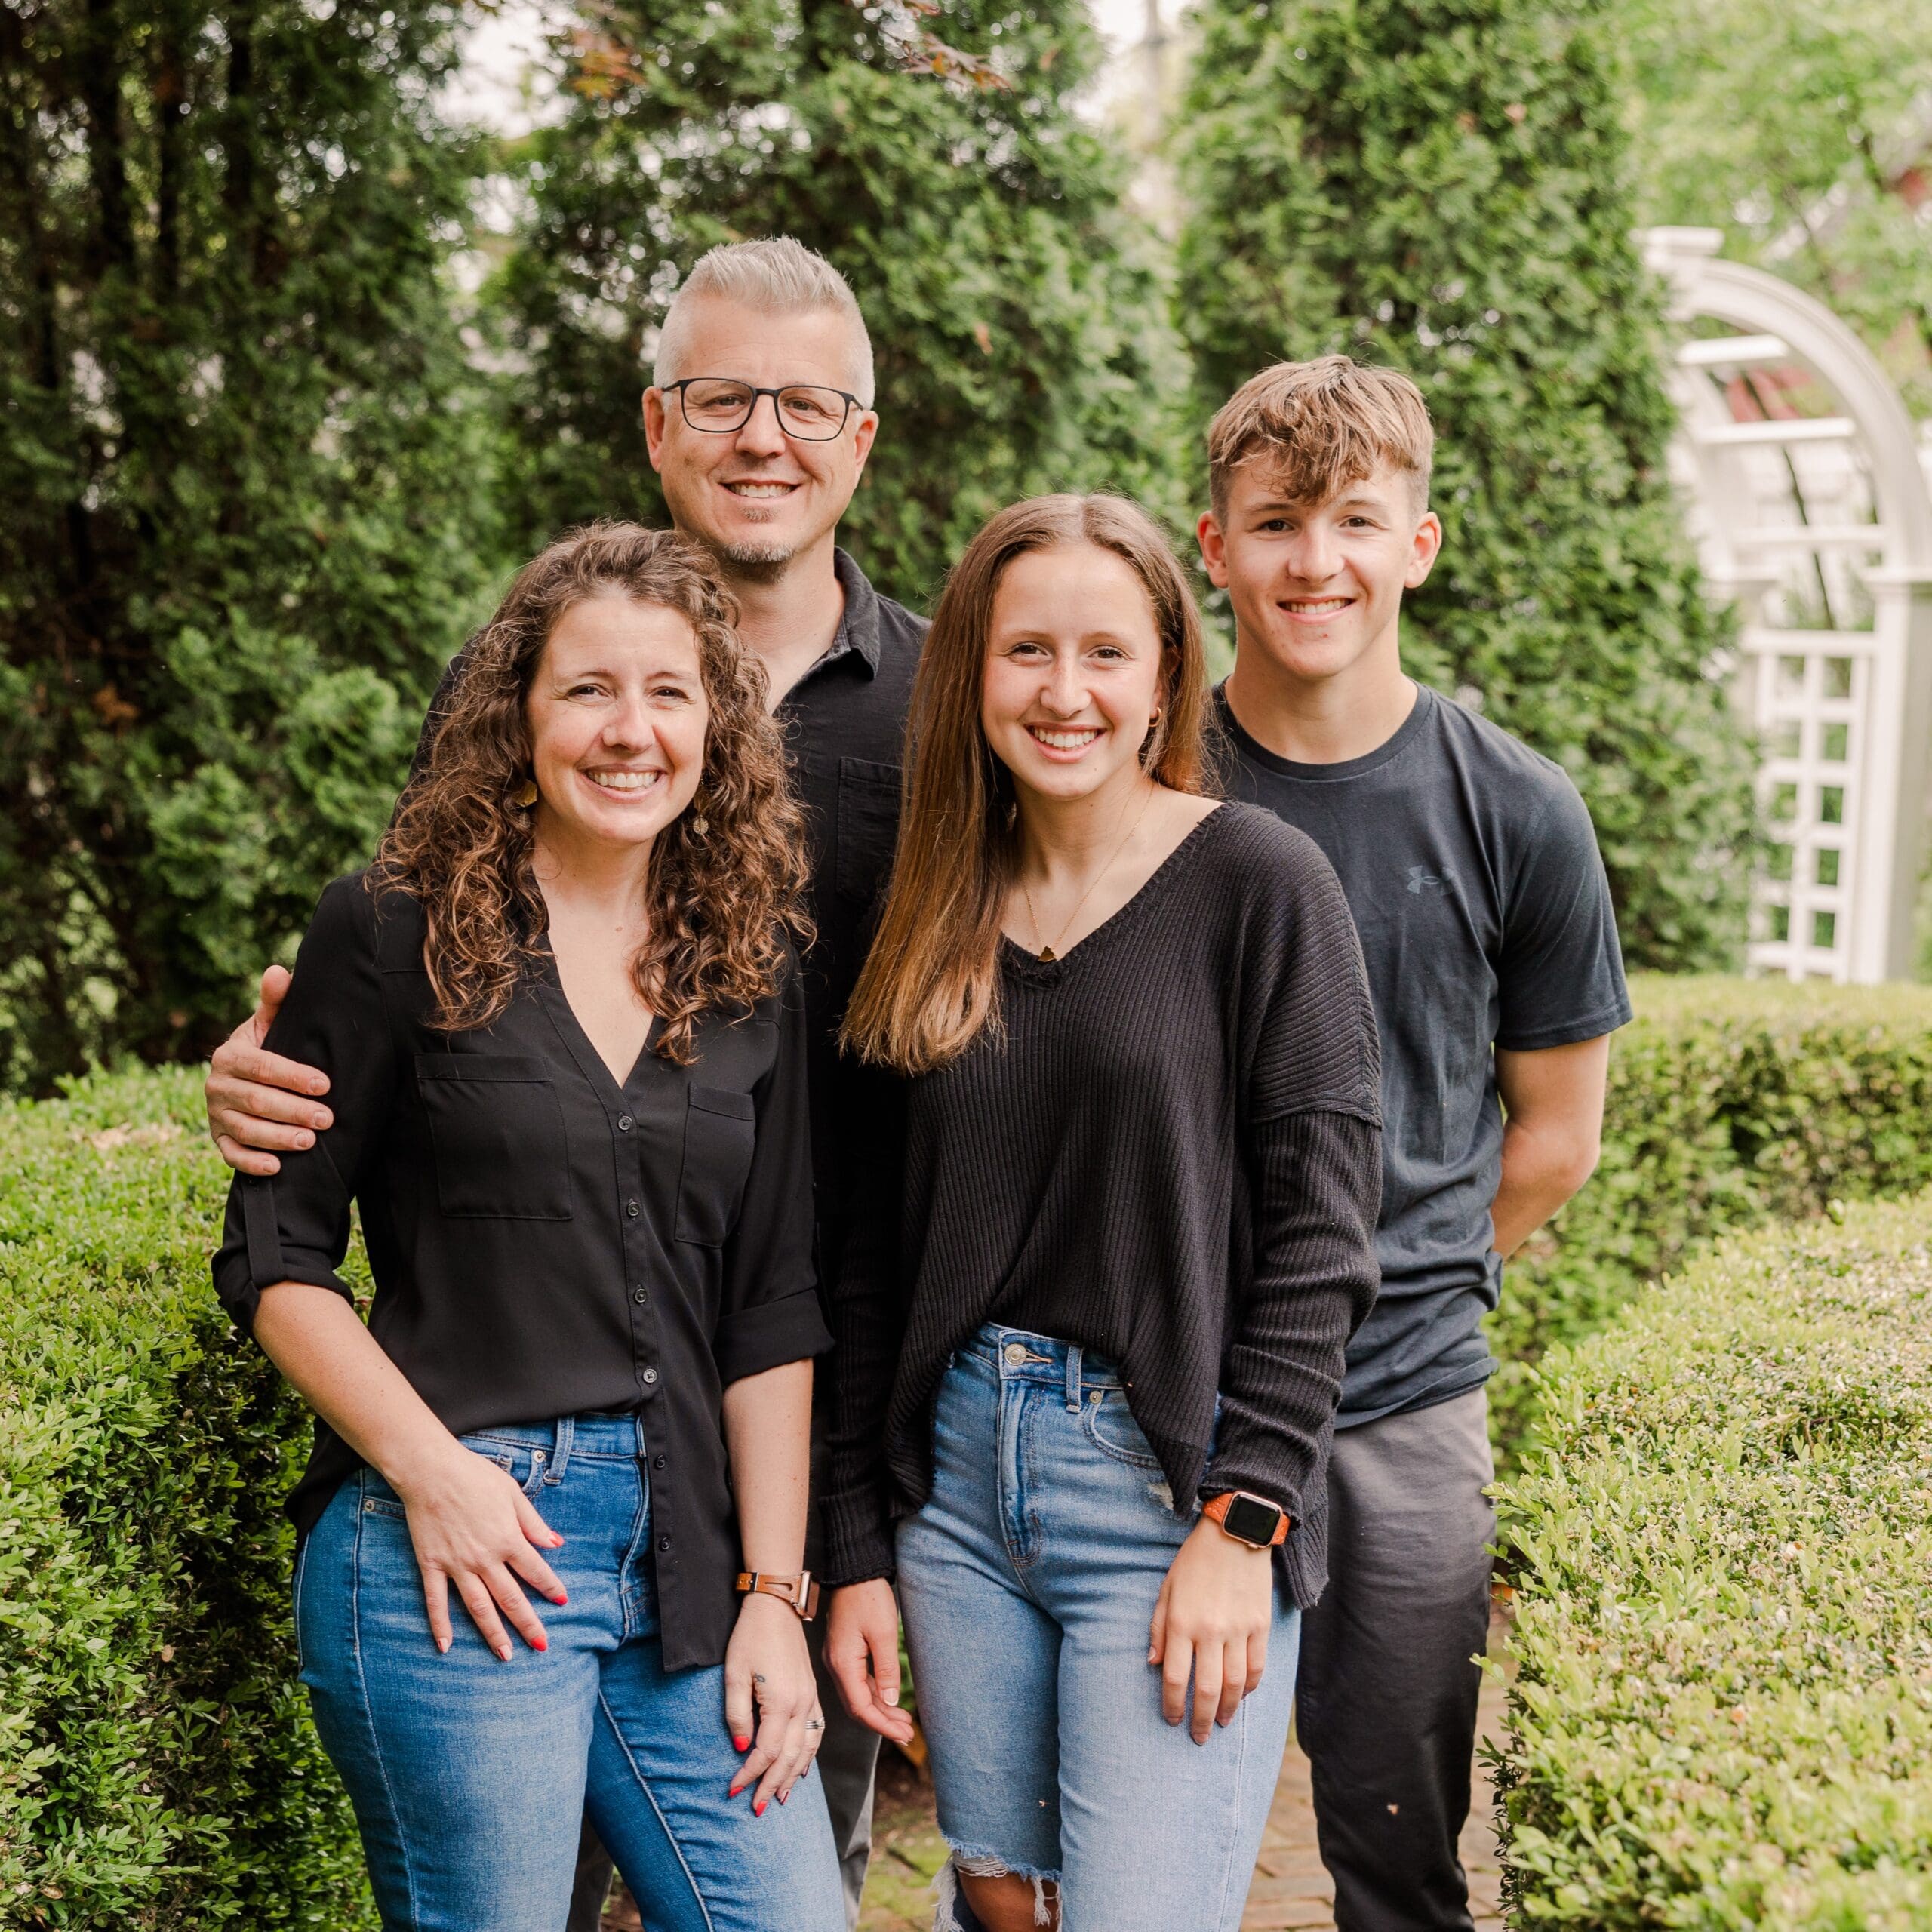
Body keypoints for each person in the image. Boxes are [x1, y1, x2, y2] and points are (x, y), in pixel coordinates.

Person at [201, 238, 920, 1930]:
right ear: (512, 710)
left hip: (703, 1531)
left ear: (716, 728)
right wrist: (434, 1470)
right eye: (585, 688)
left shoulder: (746, 949)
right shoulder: (399, 928)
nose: (626, 725)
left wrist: (774, 1584)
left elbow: (769, 1293)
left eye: (667, 693)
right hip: (460, 1529)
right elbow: (278, 1251)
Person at [820, 494, 1385, 1932]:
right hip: (953, 1487)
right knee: (1004, 1903)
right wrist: (859, 1546)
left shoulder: (1261, 885)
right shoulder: (930, 898)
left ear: (1163, 679)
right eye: (1027, 653)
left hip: (1166, 1489)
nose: (1064, 694)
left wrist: (1243, 1522)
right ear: (972, 672)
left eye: (1104, 655)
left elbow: (1323, 1241)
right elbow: (867, 1253)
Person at [1198, 358, 1629, 1931]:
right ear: (1212, 546)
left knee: (1394, 1854)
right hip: (1163, 1396)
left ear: (1418, 544)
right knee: (1141, 1846)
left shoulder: (1514, 807)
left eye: (1352, 520)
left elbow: (1554, 1132)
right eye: (1275, 522)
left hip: (1402, 1409)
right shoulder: (1140, 778)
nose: (1315, 561)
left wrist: (1384, 1284)